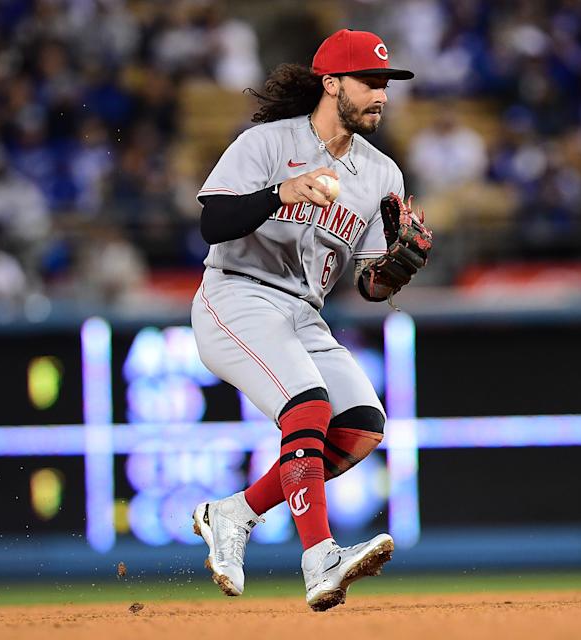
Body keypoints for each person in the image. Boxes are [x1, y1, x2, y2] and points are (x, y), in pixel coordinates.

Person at [190, 29, 432, 611]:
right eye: (369, 83)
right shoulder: (268, 143)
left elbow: (369, 284)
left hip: (304, 312)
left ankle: (235, 512)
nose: (381, 94)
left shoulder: (383, 175)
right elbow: (212, 223)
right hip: (237, 295)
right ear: (331, 84)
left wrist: (394, 272)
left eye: (386, 84)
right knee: (309, 405)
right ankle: (319, 558)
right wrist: (280, 192)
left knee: (360, 425)